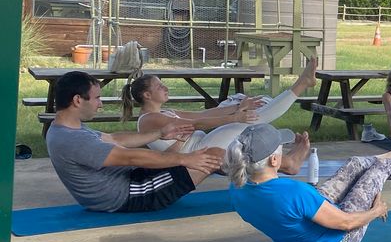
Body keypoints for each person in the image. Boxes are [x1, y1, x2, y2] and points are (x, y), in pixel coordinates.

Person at [224, 122, 391, 242]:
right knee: (379, 170)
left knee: (354, 163)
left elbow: (288, 206)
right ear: (274, 160)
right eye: (282, 149)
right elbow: (346, 223)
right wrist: (376, 210)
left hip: (298, 235)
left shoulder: (237, 188)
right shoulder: (291, 192)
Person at [46, 70, 224, 212]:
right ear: (77, 100)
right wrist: (185, 159)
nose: (100, 104)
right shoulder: (72, 139)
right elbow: (130, 157)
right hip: (130, 194)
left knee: (185, 156)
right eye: (97, 98)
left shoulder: (65, 128)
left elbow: (115, 138)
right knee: (214, 154)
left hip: (129, 179)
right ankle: (250, 184)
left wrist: (160, 133)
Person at [125, 56, 317, 174]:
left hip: (207, 143)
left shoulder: (166, 112)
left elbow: (204, 113)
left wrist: (239, 107)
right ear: (147, 95)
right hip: (200, 150)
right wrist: (235, 117)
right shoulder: (148, 120)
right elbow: (198, 124)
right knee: (254, 121)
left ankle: (287, 163)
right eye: (160, 86)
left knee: (250, 117)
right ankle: (301, 84)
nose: (165, 88)